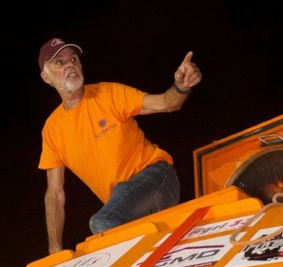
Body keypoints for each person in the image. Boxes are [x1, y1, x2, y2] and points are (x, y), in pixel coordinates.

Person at [37, 37, 202, 254]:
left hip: (156, 178)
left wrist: (180, 87)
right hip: (126, 207)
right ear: (46, 76)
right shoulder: (52, 129)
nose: (70, 65)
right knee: (109, 231)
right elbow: (55, 194)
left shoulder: (107, 94)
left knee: (103, 222)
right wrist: (55, 250)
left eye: (74, 59)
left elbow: (166, 102)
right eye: (59, 62)